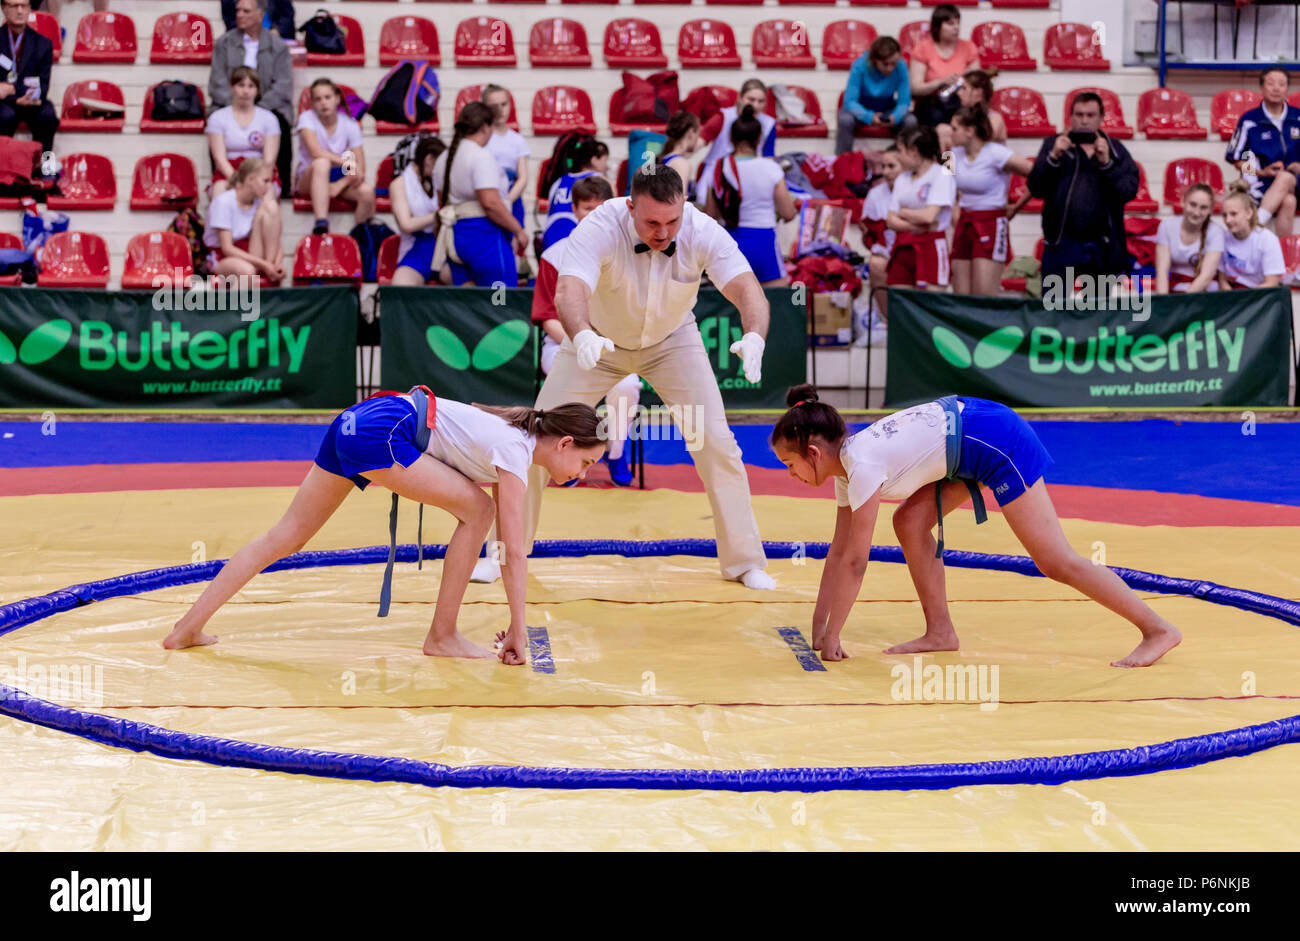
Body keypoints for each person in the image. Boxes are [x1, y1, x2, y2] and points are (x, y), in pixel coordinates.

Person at [472, 166, 775, 590]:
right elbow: (569, 291)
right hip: (597, 341)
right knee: (532, 439)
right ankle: (502, 553)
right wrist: (581, 337)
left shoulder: (703, 230)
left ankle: (745, 562)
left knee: (717, 442)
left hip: (673, 340)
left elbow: (748, 290)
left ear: (684, 207)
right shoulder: (598, 225)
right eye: (652, 222)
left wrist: (755, 336)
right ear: (630, 207)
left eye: (672, 221)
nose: (663, 232)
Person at [163, 394, 606, 666]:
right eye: (586, 463)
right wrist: (519, 628)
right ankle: (442, 635)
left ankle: (187, 628)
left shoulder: (512, 433)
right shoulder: (514, 447)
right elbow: (512, 551)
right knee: (480, 512)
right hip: (383, 428)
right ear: (565, 443)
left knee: (287, 537)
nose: (583, 474)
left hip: (360, 420)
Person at [770, 384, 1183, 667]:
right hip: (965, 433)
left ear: (813, 452)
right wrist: (818, 630)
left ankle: (1157, 629)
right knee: (910, 522)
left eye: (789, 465)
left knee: (1054, 559)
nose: (790, 475)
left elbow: (857, 562)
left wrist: (835, 635)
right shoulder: (845, 470)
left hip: (993, 438)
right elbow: (839, 553)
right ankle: (941, 632)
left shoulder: (862, 467)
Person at [533, 175, 642, 487]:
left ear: (610, 207)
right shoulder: (554, 255)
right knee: (565, 382)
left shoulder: (627, 255)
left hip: (612, 346)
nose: (592, 214)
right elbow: (546, 317)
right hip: (562, 344)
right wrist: (580, 343)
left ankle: (615, 452)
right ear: (575, 209)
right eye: (585, 208)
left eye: (599, 208)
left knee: (627, 386)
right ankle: (565, 460)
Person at [1027, 91, 1138, 288]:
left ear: (1101, 118)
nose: (1084, 121)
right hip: (1060, 244)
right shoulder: (1053, 145)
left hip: (1103, 245)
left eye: (1090, 115)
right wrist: (1053, 157)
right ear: (1070, 117)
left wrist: (1107, 164)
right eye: (1079, 115)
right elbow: (1036, 188)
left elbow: (1128, 192)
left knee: (1098, 312)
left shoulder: (1115, 149)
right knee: (1054, 311)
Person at [432, 101, 529, 286]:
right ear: (485, 127)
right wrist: (518, 230)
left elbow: (441, 203)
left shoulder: (442, 159)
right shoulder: (481, 157)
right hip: (484, 237)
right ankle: (499, 313)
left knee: (470, 305)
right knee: (500, 300)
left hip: (455, 238)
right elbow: (490, 203)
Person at [705, 105, 799, 286]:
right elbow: (788, 213)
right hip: (764, 243)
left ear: (730, 138)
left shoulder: (718, 168)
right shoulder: (771, 169)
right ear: (759, 139)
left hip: (729, 244)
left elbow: (711, 216)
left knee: (731, 309)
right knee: (773, 303)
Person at [211, 0, 295, 190]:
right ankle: (221, 178)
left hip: (267, 104)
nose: (239, 15)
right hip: (232, 102)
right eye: (238, 10)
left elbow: (283, 85)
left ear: (260, 15)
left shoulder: (278, 46)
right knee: (216, 121)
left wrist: (258, 110)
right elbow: (217, 83)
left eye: (245, 11)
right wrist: (236, 106)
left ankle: (280, 186)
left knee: (279, 122)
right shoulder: (224, 43)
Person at [949, 105, 1033, 295]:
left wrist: (1017, 206)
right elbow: (945, 187)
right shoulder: (951, 154)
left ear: (970, 131)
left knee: (983, 294)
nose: (950, 133)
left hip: (991, 222)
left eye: (955, 129)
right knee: (960, 295)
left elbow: (1037, 174)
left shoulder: (997, 152)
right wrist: (955, 214)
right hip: (964, 222)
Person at [1225, 67, 1300, 239]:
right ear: (1261, 88)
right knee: (1289, 201)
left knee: (1286, 177)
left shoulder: (1298, 118)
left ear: (1287, 89)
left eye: (1282, 84)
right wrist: (1261, 172)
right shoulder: (1250, 120)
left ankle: (1254, 227)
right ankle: (1282, 255)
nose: (1276, 88)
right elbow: (1237, 160)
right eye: (1271, 83)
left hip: (1298, 183)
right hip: (1262, 184)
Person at [295, 77, 375, 236]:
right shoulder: (307, 119)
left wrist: (340, 184)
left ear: (337, 99)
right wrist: (345, 162)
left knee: (366, 192)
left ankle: (360, 236)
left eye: (327, 97)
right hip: (309, 177)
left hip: (338, 176)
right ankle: (321, 222)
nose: (323, 103)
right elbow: (316, 152)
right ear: (312, 102)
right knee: (322, 163)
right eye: (318, 99)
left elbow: (360, 169)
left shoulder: (350, 124)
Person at [886, 125, 955, 291]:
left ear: (914, 150)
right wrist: (916, 224)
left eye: (901, 150)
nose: (898, 156)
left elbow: (929, 217)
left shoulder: (942, 174)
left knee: (931, 306)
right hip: (903, 245)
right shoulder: (902, 178)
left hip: (931, 245)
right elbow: (890, 220)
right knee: (900, 303)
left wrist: (902, 213)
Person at [204, 157, 284, 283]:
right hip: (222, 257)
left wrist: (276, 265)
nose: (269, 187)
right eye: (265, 181)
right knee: (247, 271)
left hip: (249, 253)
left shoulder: (261, 203)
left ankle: (270, 268)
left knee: (272, 207)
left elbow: (276, 242)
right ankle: (236, 303)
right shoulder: (223, 202)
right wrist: (263, 264)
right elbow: (227, 248)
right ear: (250, 179)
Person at [696, 80, 777, 204]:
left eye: (761, 101)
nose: (756, 105)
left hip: (750, 173)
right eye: (751, 99)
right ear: (740, 97)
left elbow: (768, 157)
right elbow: (698, 142)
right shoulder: (722, 116)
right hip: (717, 172)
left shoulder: (769, 123)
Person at [207, 66, 281, 199]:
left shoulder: (269, 118)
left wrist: (255, 180)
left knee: (268, 196)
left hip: (260, 172)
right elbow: (219, 159)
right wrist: (237, 180)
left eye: (251, 86)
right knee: (220, 194)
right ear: (231, 87)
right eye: (241, 85)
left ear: (257, 90)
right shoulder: (217, 118)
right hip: (228, 172)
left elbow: (269, 160)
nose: (245, 91)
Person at [837, 36, 915, 155]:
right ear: (874, 60)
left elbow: (904, 102)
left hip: (887, 108)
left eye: (893, 63)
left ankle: (901, 159)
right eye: (885, 64)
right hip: (860, 107)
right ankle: (842, 160)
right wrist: (869, 116)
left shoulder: (901, 66)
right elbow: (850, 101)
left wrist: (895, 116)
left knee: (911, 121)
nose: (890, 68)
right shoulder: (859, 65)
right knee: (845, 120)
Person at [0, 0, 58, 154]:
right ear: (3, 8)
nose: (19, 11)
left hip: (31, 99)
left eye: (24, 6)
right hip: (4, 103)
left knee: (48, 115)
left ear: (29, 9)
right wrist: (15, 99)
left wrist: (12, 89)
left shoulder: (43, 44)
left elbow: (43, 85)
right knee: (5, 116)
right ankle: (4, 170)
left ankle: (47, 168)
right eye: (14, 6)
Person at [909, 5, 980, 129]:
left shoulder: (969, 48)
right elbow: (915, 88)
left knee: (969, 117)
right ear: (937, 26)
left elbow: (977, 82)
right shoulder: (922, 48)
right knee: (937, 118)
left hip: (960, 103)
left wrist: (962, 82)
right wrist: (940, 82)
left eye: (958, 23)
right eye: (950, 23)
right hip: (931, 104)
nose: (956, 27)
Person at [389, 135, 444, 286]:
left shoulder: (440, 179)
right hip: (416, 247)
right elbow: (406, 225)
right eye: (439, 165)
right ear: (428, 160)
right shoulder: (399, 184)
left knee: (471, 284)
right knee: (401, 287)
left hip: (442, 245)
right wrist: (438, 215)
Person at [858, 145, 902, 329]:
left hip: (913, 249)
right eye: (883, 167)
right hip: (888, 253)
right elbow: (868, 239)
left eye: (892, 166)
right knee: (875, 262)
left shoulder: (918, 190)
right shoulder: (875, 194)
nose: (886, 172)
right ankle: (887, 320)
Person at [541, 137, 609, 251]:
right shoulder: (599, 180)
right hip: (579, 243)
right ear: (594, 160)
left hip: (549, 242)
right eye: (605, 160)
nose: (607, 166)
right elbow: (611, 215)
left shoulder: (559, 182)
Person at [1155, 183, 1223, 293]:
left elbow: (1206, 277)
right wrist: (1164, 302)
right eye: (1193, 204)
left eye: (1203, 207)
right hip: (1175, 289)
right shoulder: (1166, 226)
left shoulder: (1216, 232)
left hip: (1204, 292)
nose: (1197, 212)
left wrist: (1184, 304)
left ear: (1211, 210)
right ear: (1183, 202)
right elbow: (1161, 271)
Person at [1218, 180, 1286, 289]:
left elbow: (1271, 283)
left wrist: (1245, 300)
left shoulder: (1267, 240)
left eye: (1233, 214)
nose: (1228, 220)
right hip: (1232, 295)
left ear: (1249, 213)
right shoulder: (1223, 237)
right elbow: (1222, 280)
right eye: (1224, 215)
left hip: (1258, 296)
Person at [482, 84, 530, 228]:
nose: (500, 110)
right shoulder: (481, 138)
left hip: (511, 200)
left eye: (504, 104)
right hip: (487, 198)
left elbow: (523, 178)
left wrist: (506, 201)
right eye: (494, 106)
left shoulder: (517, 140)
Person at [938, 68, 1007, 151]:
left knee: (945, 131)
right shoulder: (961, 116)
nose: (959, 93)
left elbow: (981, 143)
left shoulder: (995, 118)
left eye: (964, 88)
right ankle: (947, 164)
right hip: (968, 161)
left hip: (990, 162)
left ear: (978, 93)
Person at [659, 110, 701, 194]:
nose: (698, 139)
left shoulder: (667, 158)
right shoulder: (681, 163)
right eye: (697, 134)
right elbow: (680, 202)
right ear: (691, 132)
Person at [221, 0, 293, 38]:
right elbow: (229, 20)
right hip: (241, 37)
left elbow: (287, 15)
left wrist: (277, 30)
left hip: (276, 37)